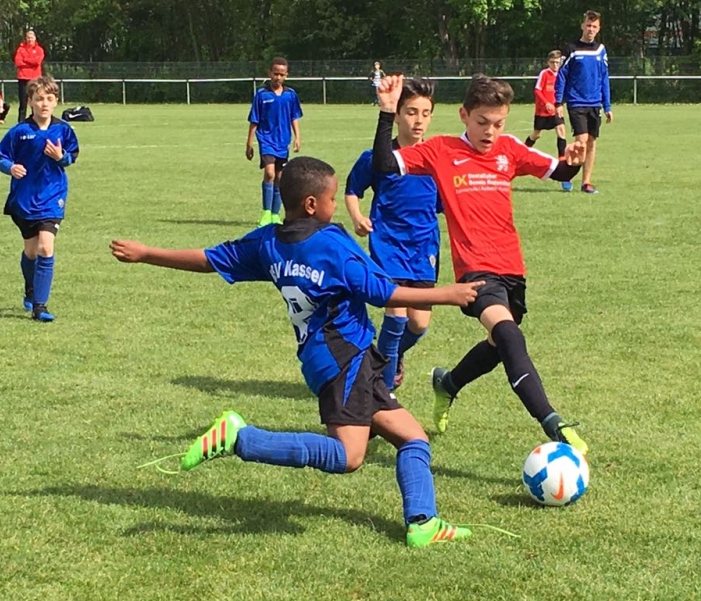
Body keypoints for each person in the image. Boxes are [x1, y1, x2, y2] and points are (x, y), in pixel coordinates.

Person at [110, 156, 484, 548]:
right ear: (311, 204)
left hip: (331, 359)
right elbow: (382, 292)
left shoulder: (268, 242)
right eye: (332, 199)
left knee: (412, 438)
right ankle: (240, 438)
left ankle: (423, 521)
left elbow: (209, 260)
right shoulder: (331, 244)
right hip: (345, 359)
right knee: (349, 456)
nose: (335, 206)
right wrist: (448, 294)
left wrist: (148, 253)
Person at [372, 73, 590, 456]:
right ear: (464, 115)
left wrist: (573, 162)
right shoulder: (441, 150)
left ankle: (448, 383)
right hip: (476, 272)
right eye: (482, 122)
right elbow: (385, 164)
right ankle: (553, 422)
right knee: (509, 336)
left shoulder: (510, 150)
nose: (490, 132)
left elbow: (558, 171)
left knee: (498, 344)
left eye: (498, 123)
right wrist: (387, 113)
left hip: (512, 269)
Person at [344, 77, 441, 391]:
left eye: (425, 113)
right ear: (397, 115)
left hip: (424, 248)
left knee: (419, 324)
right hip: (388, 244)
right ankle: (383, 392)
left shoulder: (436, 159)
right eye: (411, 112)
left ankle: (386, 356)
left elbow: (445, 204)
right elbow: (352, 189)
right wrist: (358, 217)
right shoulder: (378, 156)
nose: (418, 120)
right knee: (396, 317)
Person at [0, 76, 80, 322]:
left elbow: (72, 156)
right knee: (31, 251)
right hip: (24, 198)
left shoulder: (63, 129)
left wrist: (61, 157)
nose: (44, 103)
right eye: (39, 99)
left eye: (49, 99)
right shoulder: (20, 131)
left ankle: (40, 307)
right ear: (30, 101)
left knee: (45, 247)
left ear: (56, 101)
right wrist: (10, 167)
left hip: (53, 196)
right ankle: (30, 289)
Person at [555, 10, 612, 194]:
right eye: (588, 25)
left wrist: (607, 105)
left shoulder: (600, 50)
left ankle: (586, 182)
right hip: (576, 102)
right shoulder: (571, 49)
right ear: (582, 26)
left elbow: (604, 78)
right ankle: (566, 175)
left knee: (591, 142)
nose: (591, 29)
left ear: (598, 28)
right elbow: (561, 76)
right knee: (581, 142)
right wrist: (558, 102)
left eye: (594, 26)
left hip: (595, 103)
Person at [246, 57, 302, 226]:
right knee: (269, 173)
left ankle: (275, 214)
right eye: (275, 73)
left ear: (286, 75)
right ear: (269, 73)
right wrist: (249, 143)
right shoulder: (261, 94)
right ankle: (266, 213)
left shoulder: (290, 95)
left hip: (282, 141)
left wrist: (297, 137)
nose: (278, 77)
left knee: (279, 177)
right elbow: (254, 120)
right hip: (266, 140)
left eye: (281, 74)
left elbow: (294, 117)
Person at [526, 51, 569, 190]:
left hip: (556, 109)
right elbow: (537, 90)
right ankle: (522, 152)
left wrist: (560, 103)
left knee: (561, 131)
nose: (555, 65)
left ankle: (563, 166)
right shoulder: (544, 74)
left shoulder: (563, 74)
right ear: (548, 62)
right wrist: (546, 103)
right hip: (542, 111)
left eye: (557, 62)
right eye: (552, 62)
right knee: (536, 134)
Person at [14, 30, 45, 122]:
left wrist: (25, 59)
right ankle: (21, 122)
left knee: (35, 101)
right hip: (23, 78)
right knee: (23, 103)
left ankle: (35, 121)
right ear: (26, 38)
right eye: (28, 38)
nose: (30, 39)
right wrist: (31, 62)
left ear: (35, 38)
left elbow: (37, 62)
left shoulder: (39, 50)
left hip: (35, 79)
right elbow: (18, 62)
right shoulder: (21, 49)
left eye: (31, 38)